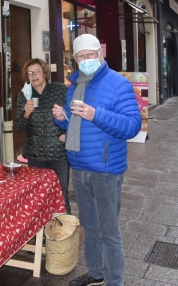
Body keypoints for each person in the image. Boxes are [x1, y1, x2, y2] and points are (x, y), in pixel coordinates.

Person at [52, 34, 141, 286]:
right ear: (75, 60)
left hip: (105, 169)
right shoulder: (74, 86)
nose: (86, 60)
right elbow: (73, 125)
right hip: (79, 167)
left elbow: (132, 126)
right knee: (89, 227)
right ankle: (95, 273)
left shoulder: (118, 84)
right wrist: (61, 119)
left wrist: (96, 114)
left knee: (108, 231)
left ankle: (115, 281)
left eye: (90, 55)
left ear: (100, 55)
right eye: (80, 57)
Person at [13, 58, 70, 214]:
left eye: (37, 71)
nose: (34, 76)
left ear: (45, 73)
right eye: (30, 73)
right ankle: (42, 236)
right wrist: (26, 113)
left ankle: (64, 234)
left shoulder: (61, 90)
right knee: (38, 198)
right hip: (35, 155)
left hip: (58, 153)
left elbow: (73, 116)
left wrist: (67, 134)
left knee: (61, 195)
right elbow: (18, 127)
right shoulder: (24, 96)